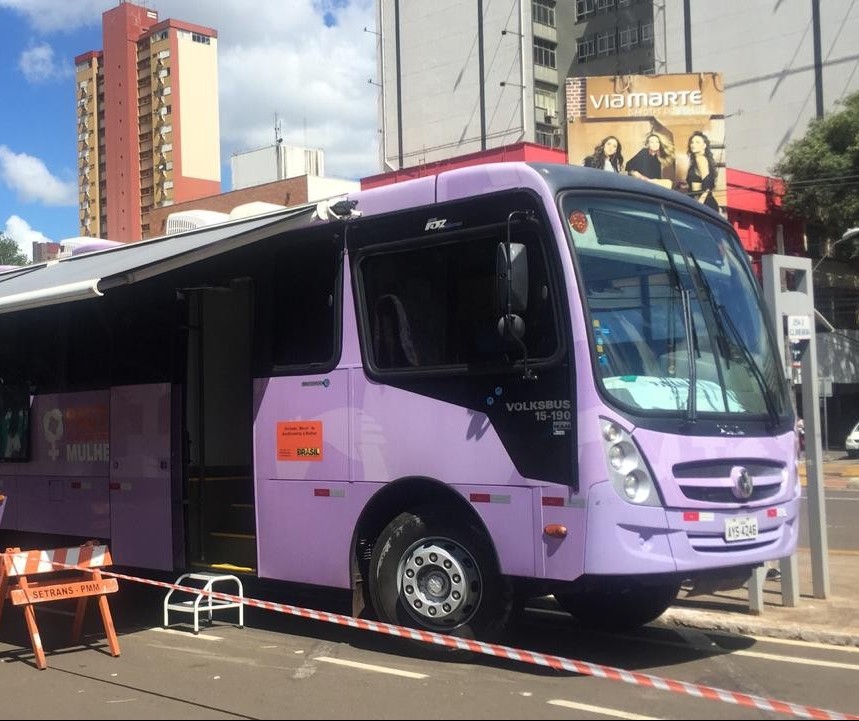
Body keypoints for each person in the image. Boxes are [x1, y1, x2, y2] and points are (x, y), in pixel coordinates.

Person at [685, 130, 719, 211]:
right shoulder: (696, 160)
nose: (693, 145)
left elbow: (707, 182)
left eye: (697, 142)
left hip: (704, 203)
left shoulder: (701, 159)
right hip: (697, 200)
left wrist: (700, 203)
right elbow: (697, 181)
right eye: (692, 142)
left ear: (704, 145)